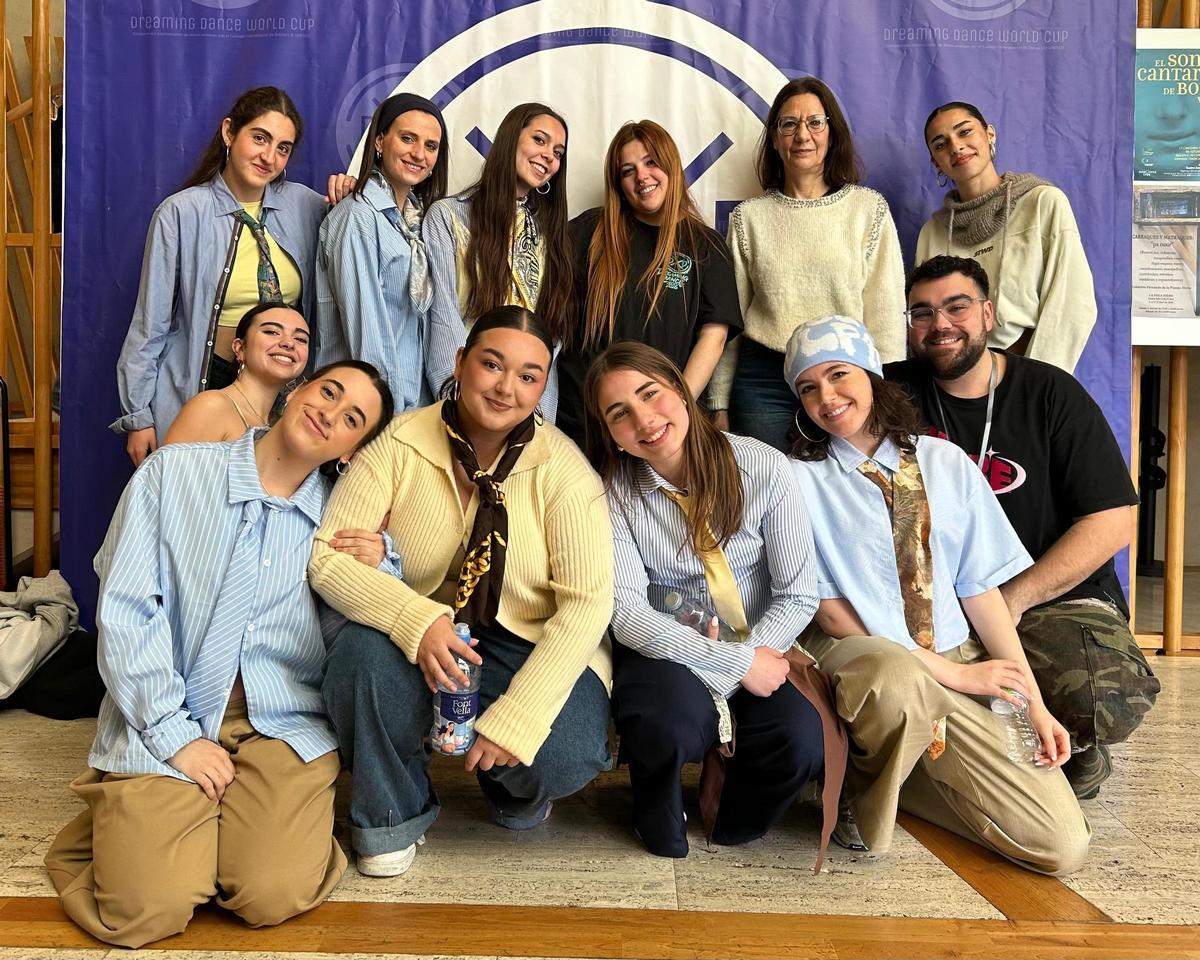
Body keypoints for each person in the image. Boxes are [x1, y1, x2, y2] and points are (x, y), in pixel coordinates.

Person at [44, 361, 395, 948]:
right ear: (297, 390)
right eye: (328, 391)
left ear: (351, 451)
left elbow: (352, 647)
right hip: (169, 706)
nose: (330, 413)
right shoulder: (173, 473)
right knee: (144, 910)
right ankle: (125, 822)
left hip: (283, 722)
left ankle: (235, 828)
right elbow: (126, 611)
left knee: (270, 892)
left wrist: (383, 565)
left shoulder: (339, 524)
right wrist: (172, 733)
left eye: (352, 418)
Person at [310, 306, 613, 878]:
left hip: (524, 638)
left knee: (567, 751)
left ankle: (510, 788)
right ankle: (392, 813)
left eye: (528, 376)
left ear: (543, 388)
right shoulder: (400, 440)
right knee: (358, 659)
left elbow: (587, 604)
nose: (506, 388)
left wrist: (519, 716)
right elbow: (327, 557)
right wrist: (415, 618)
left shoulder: (565, 470)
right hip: (417, 628)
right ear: (459, 362)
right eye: (491, 365)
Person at [784, 315, 1091, 876]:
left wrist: (1032, 702)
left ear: (871, 374)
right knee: (896, 680)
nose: (826, 396)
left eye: (838, 374)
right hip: (866, 659)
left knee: (1061, 846)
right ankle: (868, 792)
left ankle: (900, 776)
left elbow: (980, 591)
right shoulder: (796, 481)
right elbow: (830, 614)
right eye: (808, 387)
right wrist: (951, 677)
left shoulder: (945, 463)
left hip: (956, 658)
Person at [885, 255, 1160, 800]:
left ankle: (1077, 746)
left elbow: (1111, 521)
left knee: (1104, 697)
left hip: (1044, 599)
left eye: (957, 307)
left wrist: (1013, 599)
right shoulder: (890, 393)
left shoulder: (1051, 394)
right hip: (929, 599)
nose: (940, 324)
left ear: (988, 314)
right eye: (923, 313)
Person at [583, 341, 824, 859]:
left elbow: (798, 594)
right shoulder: (612, 492)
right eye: (619, 413)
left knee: (800, 739)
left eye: (650, 394)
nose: (645, 420)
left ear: (680, 388)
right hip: (669, 644)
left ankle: (732, 814)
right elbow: (627, 614)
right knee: (664, 724)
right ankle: (657, 813)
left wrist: (748, 659)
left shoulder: (763, 467)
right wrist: (731, 665)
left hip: (762, 637)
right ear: (609, 433)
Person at [112, 86, 337, 467]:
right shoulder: (180, 213)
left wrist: (349, 194)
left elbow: (351, 239)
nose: (269, 157)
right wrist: (138, 416)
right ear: (229, 132)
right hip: (204, 381)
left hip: (282, 391)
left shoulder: (308, 206)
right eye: (260, 138)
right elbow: (150, 325)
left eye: (283, 148)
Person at [709, 76, 905, 451]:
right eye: (789, 124)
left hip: (847, 374)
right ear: (774, 138)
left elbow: (885, 311)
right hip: (765, 381)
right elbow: (730, 321)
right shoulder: (748, 218)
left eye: (815, 122)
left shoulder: (867, 209)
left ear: (832, 132)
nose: (802, 135)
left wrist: (883, 389)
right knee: (771, 481)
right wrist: (719, 402)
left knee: (848, 480)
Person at [557, 120, 742, 444]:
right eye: (628, 171)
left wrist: (677, 406)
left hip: (661, 429)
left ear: (671, 165)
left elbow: (713, 338)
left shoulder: (706, 246)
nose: (641, 176)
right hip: (586, 426)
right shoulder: (589, 232)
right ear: (619, 184)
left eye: (651, 162)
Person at [917, 101, 1096, 373]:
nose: (956, 147)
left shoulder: (1042, 203)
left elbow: (1072, 304)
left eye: (964, 132)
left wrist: (1037, 382)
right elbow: (925, 318)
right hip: (955, 380)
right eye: (941, 144)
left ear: (990, 134)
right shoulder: (933, 232)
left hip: (1027, 372)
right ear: (936, 162)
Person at [423, 103, 574, 421]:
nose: (549, 155)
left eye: (558, 152)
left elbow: (551, 336)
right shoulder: (448, 216)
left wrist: (540, 420)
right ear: (510, 139)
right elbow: (443, 313)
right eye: (539, 140)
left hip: (528, 411)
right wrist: (456, 402)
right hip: (466, 402)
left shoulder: (550, 234)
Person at [315, 93, 449, 410]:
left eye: (431, 146)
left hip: (416, 404)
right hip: (368, 407)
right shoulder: (358, 217)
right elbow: (366, 335)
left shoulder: (420, 224)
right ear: (379, 141)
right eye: (407, 138)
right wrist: (387, 412)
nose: (419, 154)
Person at [164, 303, 309, 443]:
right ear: (240, 348)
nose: (289, 343)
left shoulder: (280, 425)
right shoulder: (212, 406)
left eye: (300, 339)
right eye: (271, 332)